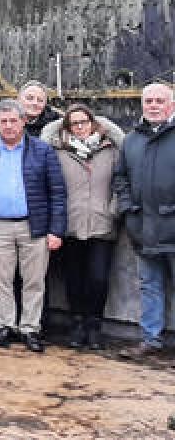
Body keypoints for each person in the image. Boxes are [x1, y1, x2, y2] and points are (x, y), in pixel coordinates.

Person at [0, 99, 66, 353]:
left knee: (34, 281)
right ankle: (6, 326)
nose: (9, 126)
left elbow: (57, 192)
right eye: (3, 121)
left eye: (13, 120)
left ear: (23, 121)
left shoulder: (43, 151)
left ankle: (30, 328)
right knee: (1, 280)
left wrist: (56, 230)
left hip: (34, 226)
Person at [41, 103, 124, 349]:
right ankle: (77, 324)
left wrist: (114, 209)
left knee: (98, 279)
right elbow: (46, 137)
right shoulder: (58, 152)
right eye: (74, 124)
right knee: (74, 279)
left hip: (102, 224)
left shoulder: (111, 150)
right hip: (71, 224)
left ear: (94, 123)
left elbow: (122, 181)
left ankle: (94, 325)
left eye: (84, 122)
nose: (79, 128)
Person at [115, 82, 175, 359]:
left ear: (171, 105)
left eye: (158, 101)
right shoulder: (131, 140)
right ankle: (151, 340)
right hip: (143, 228)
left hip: (172, 226)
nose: (153, 106)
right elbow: (121, 178)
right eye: (148, 101)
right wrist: (128, 208)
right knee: (149, 286)